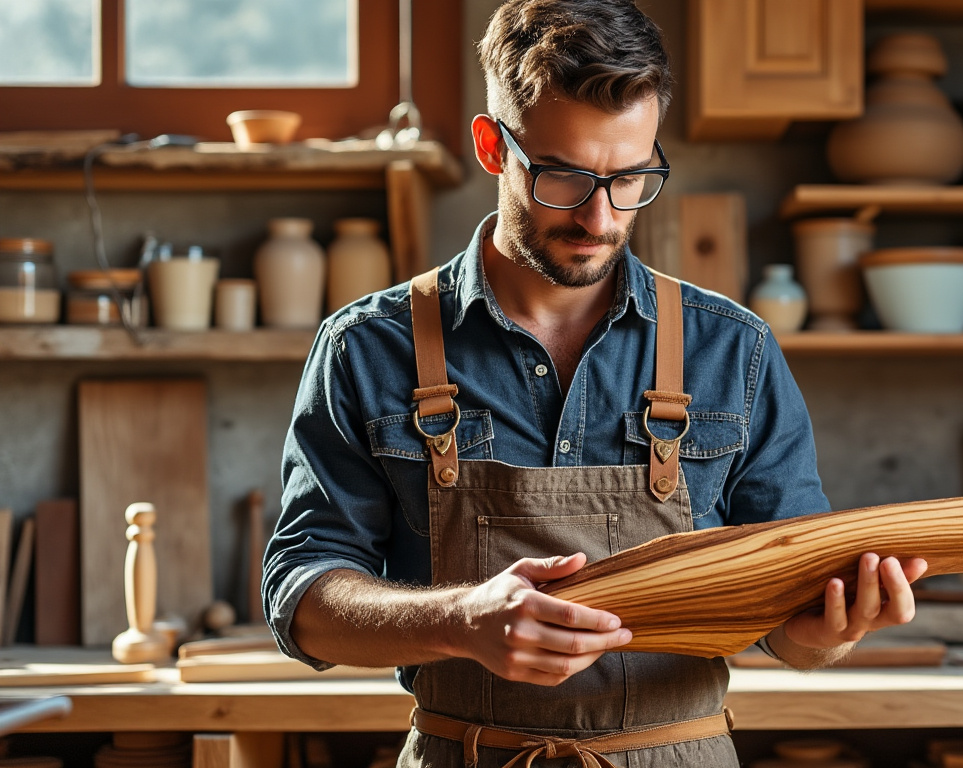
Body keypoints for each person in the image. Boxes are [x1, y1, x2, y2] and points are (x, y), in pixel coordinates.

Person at [263, 1, 927, 766]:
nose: (600, 217)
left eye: (630, 178)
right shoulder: (368, 347)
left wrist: (825, 632)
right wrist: (463, 619)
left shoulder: (731, 350)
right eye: (565, 177)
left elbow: (791, 627)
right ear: (492, 146)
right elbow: (302, 594)